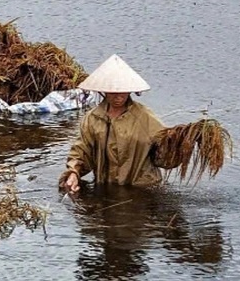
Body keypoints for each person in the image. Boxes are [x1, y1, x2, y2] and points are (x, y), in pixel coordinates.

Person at [59, 54, 165, 192]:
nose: (118, 96)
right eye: (113, 92)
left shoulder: (145, 118)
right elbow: (82, 151)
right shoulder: (93, 118)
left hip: (141, 188)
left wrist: (184, 141)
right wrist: (73, 173)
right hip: (105, 186)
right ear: (104, 91)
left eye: (123, 91)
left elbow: (166, 152)